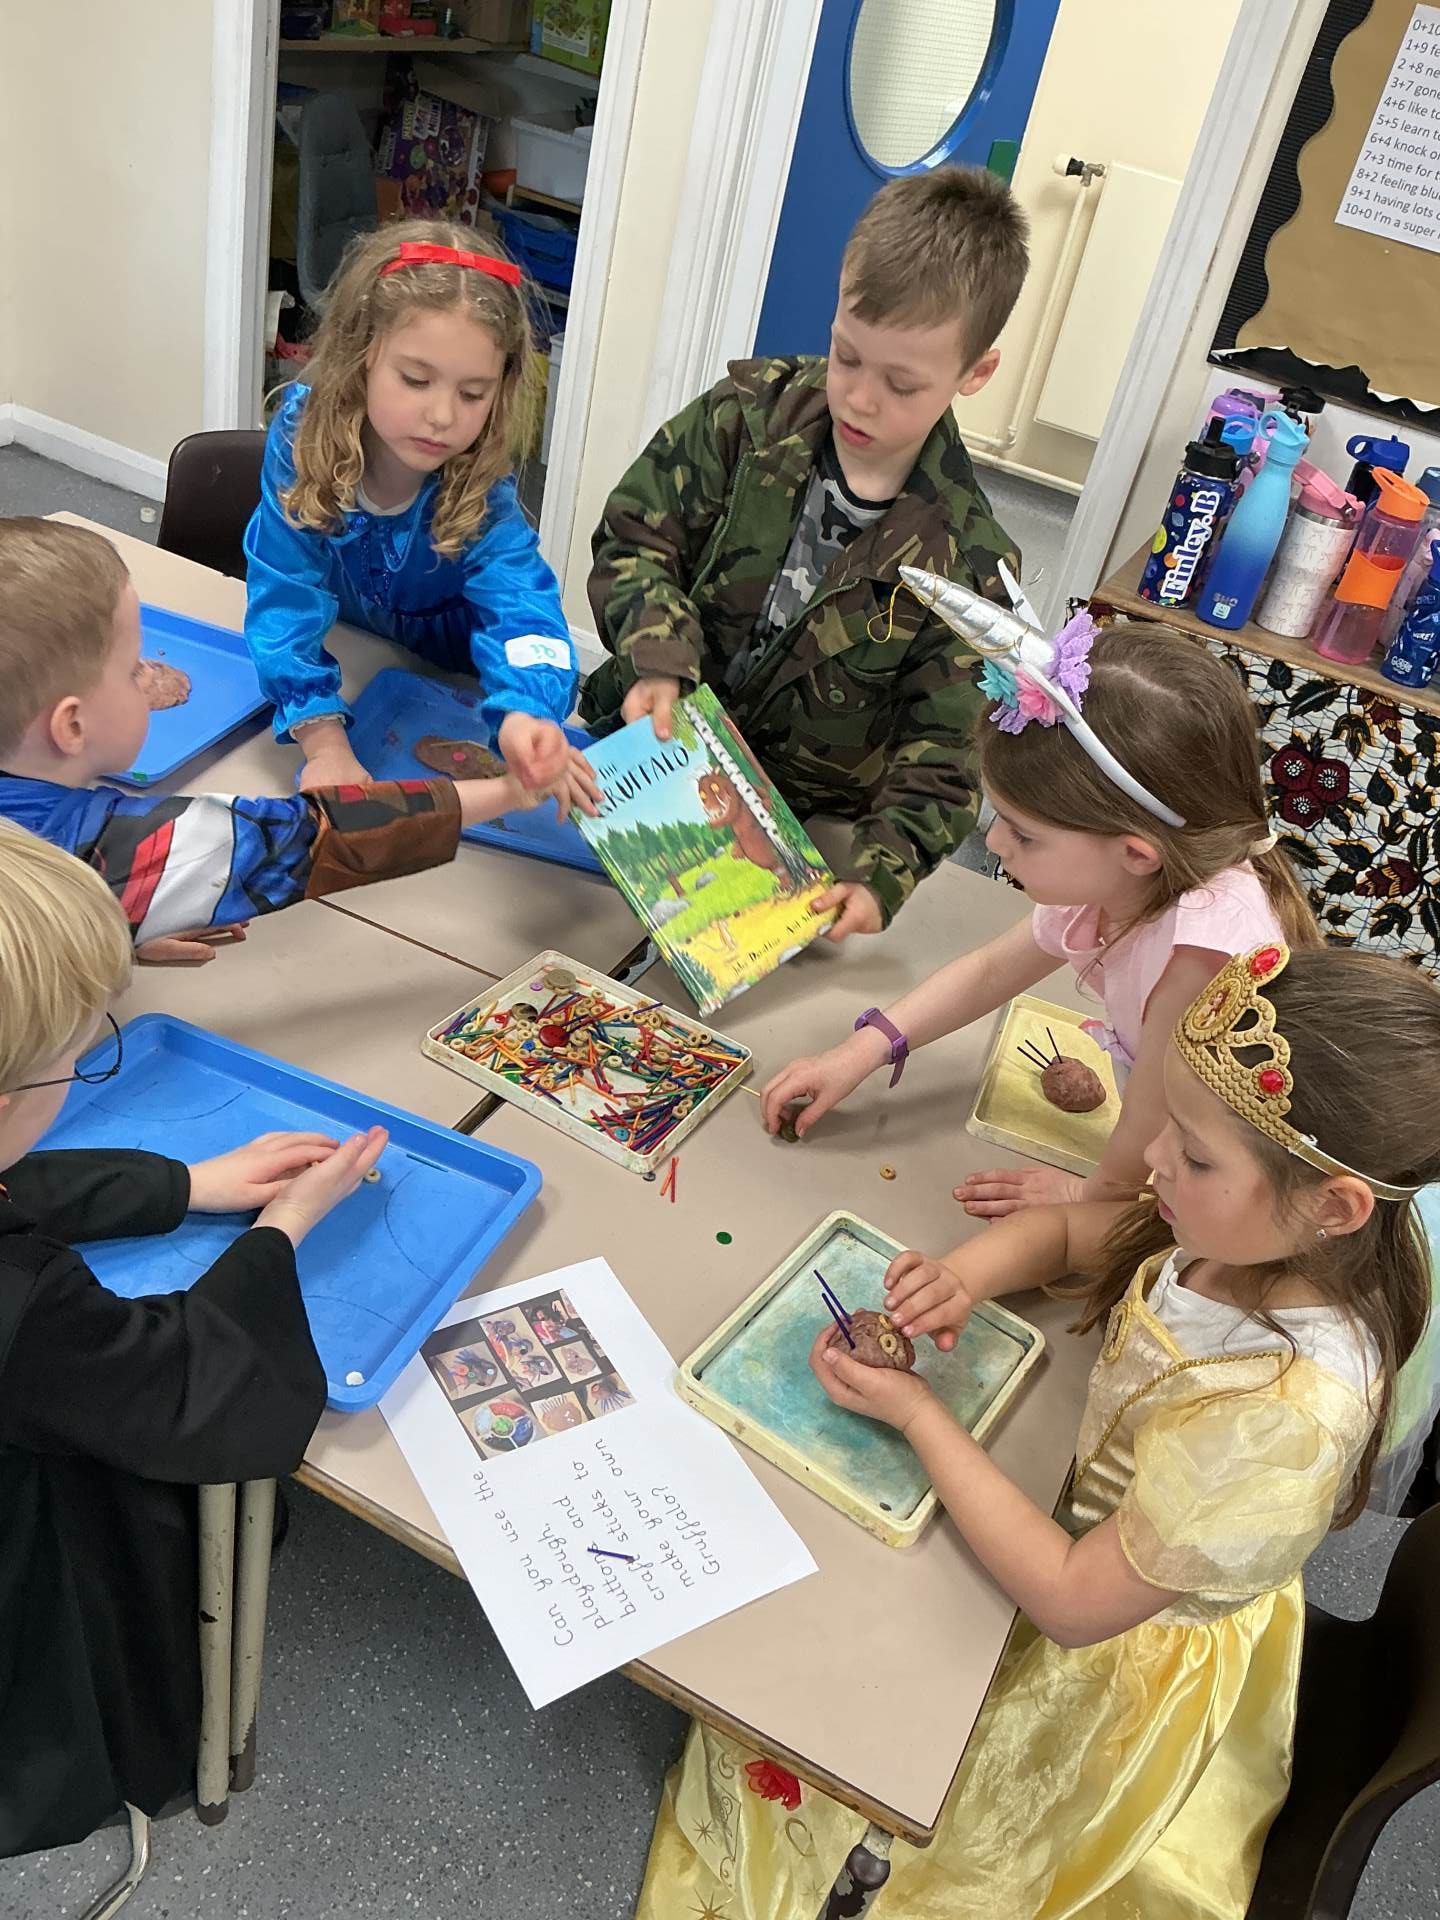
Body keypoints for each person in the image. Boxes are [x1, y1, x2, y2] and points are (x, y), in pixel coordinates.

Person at [640, 941, 1440, 1919]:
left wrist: (918, 1412)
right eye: (1170, 1124)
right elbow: (1071, 1234)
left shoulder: (1283, 1417)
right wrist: (962, 1278)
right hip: (1105, 1542)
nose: (1153, 1158)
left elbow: (1070, 1601)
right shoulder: (1239, 1230)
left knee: (852, 1725)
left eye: (1192, 1154)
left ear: (1334, 1207)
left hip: (1112, 1649)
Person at [0, 820, 388, 1854]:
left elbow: (16, 1188)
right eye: (74, 1061)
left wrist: (182, 1184)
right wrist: (281, 1231)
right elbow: (189, 1387)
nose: (79, 1068)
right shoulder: (26, 1314)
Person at [580, 166, 1030, 938]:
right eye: (847, 356)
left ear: (975, 372)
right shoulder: (744, 417)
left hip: (792, 839)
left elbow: (945, 753)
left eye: (902, 384)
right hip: (636, 759)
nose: (860, 397)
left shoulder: (970, 567)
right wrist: (656, 656)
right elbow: (635, 537)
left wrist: (881, 876)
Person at [762, 599, 1318, 1213]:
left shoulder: (1202, 954)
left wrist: (1088, 1198)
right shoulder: (1119, 880)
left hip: (1230, 1190)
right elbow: (991, 971)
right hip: (1171, 1142)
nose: (996, 843)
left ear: (1135, 853)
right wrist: (859, 1053)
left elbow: (1151, 1114)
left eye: (1024, 835)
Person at [0, 518, 596, 963]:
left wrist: (106, 924)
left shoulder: (83, 871)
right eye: (133, 668)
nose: (149, 673)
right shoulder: (98, 852)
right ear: (71, 727)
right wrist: (511, 792)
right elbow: (317, 837)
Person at [244, 218, 588, 810]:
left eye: (472, 393)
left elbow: (525, 611)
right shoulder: (303, 440)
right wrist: (323, 742)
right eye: (415, 379)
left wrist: (528, 712)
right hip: (352, 657)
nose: (442, 416)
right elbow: (283, 594)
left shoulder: (480, 488)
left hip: (451, 685)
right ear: (360, 356)